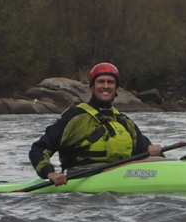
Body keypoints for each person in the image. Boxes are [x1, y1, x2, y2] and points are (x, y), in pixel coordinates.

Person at [29, 62, 163, 186]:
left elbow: (145, 150)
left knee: (159, 161)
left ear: (116, 88)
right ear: (92, 87)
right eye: (101, 82)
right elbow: (39, 148)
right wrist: (51, 173)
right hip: (84, 175)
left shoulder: (123, 121)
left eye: (110, 82)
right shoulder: (75, 116)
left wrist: (153, 151)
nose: (106, 86)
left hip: (122, 172)